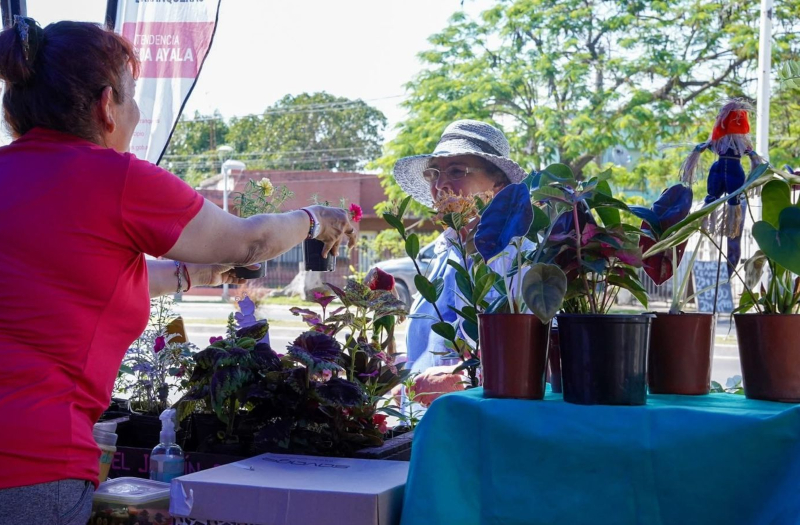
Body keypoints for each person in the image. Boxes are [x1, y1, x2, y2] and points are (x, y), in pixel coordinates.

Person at [0, 18, 356, 524]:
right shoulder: (115, 179)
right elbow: (250, 239)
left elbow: (68, 284)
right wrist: (316, 220)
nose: (137, 113)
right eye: (131, 97)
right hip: (31, 465)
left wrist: (195, 276)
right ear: (106, 106)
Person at [391, 119, 530, 403]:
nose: (440, 185)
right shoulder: (441, 252)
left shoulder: (519, 256)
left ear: (499, 184)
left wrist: (462, 381)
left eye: (456, 171)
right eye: (434, 174)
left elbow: (527, 362)